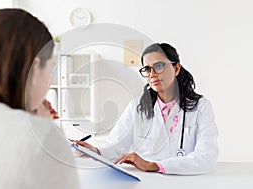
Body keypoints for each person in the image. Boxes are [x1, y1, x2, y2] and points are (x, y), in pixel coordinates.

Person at [0, 8, 79, 188]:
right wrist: (44, 130)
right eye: (49, 69)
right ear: (35, 69)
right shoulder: (42, 137)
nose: (49, 83)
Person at [73, 43, 219, 175]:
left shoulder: (201, 107)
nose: (152, 74)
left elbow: (207, 157)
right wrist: (94, 151)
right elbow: (117, 145)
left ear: (176, 68)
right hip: (147, 181)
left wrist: (154, 165)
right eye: (147, 69)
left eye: (159, 66)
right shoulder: (137, 108)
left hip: (184, 181)